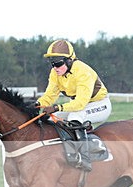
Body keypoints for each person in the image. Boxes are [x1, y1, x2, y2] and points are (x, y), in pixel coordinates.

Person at [35, 39, 112, 171]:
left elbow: (80, 103)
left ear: (70, 60)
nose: (55, 67)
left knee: (74, 117)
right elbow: (50, 96)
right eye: (52, 63)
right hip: (80, 106)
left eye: (58, 63)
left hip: (100, 104)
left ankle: (84, 158)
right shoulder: (55, 73)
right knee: (51, 118)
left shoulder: (82, 71)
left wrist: (57, 107)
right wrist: (36, 104)